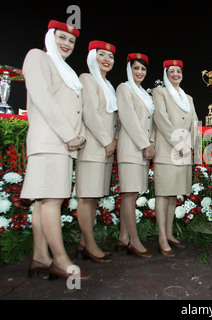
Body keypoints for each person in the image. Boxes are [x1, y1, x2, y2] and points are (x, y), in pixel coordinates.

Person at [20, 20, 89, 280]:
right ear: (51, 37)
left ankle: (40, 257)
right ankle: (60, 262)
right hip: (50, 142)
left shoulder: (65, 70)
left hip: (59, 144)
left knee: (42, 201)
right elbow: (42, 98)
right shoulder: (39, 57)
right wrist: (69, 134)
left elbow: (72, 108)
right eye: (62, 38)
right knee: (51, 201)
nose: (67, 44)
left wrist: (77, 134)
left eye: (71, 41)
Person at [75, 40, 119, 263]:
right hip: (93, 147)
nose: (106, 59)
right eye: (101, 54)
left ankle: (84, 243)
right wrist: (106, 141)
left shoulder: (108, 85)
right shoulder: (87, 79)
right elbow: (89, 114)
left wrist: (113, 141)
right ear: (92, 57)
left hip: (106, 151)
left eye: (110, 56)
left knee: (93, 199)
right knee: (86, 198)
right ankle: (90, 246)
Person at [153, 60, 198, 257]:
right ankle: (161, 238)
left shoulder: (188, 97)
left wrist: (190, 145)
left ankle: (170, 234)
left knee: (173, 195)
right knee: (163, 194)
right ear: (166, 74)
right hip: (168, 149)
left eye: (178, 71)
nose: (175, 74)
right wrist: (180, 143)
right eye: (171, 71)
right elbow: (161, 119)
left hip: (184, 151)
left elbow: (195, 122)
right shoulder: (160, 92)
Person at [116, 53, 155, 258]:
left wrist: (152, 143)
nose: (140, 72)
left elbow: (151, 123)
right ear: (129, 69)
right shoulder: (124, 88)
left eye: (143, 69)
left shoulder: (146, 95)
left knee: (132, 194)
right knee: (130, 194)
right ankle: (134, 241)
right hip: (131, 148)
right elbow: (128, 119)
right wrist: (145, 144)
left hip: (143, 150)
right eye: (136, 68)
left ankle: (123, 237)